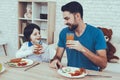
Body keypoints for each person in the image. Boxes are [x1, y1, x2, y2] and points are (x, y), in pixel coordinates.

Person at [50, 1, 107, 71]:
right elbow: (58, 56)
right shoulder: (64, 32)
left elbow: (103, 64)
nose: (65, 23)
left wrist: (83, 49)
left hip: (91, 75)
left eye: (67, 19)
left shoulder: (97, 33)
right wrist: (55, 60)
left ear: (77, 16)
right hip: (70, 73)